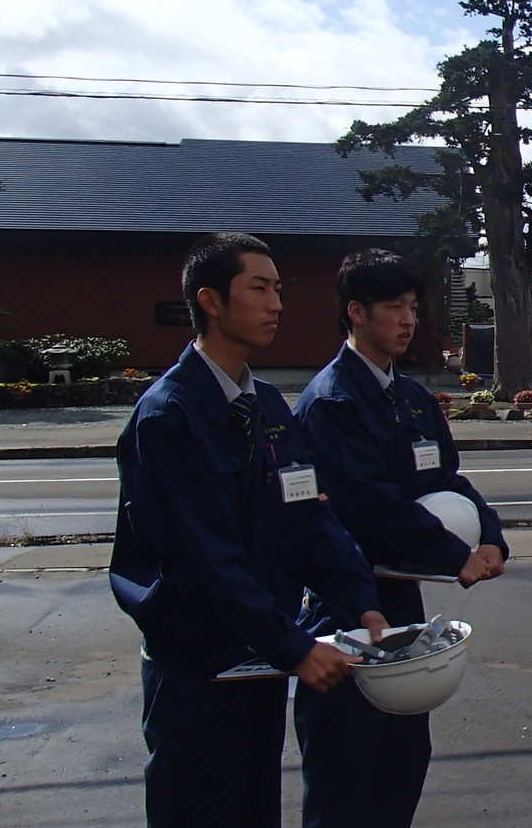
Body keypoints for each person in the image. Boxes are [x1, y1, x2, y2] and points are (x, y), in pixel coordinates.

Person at [110, 233, 387, 828]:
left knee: (255, 808)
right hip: (198, 670)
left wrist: (360, 599)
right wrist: (292, 647)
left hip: (259, 661)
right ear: (210, 301)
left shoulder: (267, 406)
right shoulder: (168, 415)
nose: (276, 304)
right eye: (259, 288)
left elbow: (309, 513)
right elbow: (198, 557)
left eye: (279, 289)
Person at [293, 249, 509, 828]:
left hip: (403, 605)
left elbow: (447, 481)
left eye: (412, 306)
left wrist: (490, 538)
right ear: (355, 312)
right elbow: (370, 509)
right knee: (344, 774)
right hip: (342, 613)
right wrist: (454, 556)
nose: (408, 319)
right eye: (394, 306)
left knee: (402, 760)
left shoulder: (411, 399)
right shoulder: (331, 404)